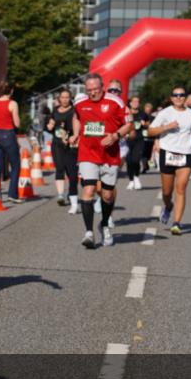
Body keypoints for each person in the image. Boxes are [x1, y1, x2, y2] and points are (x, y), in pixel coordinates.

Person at [73, 73, 132, 248]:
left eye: (96, 89)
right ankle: (89, 233)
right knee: (89, 189)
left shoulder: (116, 102)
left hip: (109, 154)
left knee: (107, 195)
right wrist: (75, 134)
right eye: (89, 90)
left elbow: (129, 124)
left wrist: (115, 136)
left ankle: (105, 224)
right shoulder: (80, 102)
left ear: (102, 87)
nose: (92, 93)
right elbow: (76, 117)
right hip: (87, 153)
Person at [148, 86, 191, 235]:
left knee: (181, 188)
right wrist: (167, 127)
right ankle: (168, 206)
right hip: (168, 152)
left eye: (181, 95)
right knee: (166, 192)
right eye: (175, 95)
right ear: (171, 98)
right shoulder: (165, 113)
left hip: (186, 153)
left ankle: (177, 223)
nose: (178, 97)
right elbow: (150, 131)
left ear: (185, 98)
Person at [0, 81, 23, 203]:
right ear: (11, 91)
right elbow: (17, 123)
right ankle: (12, 194)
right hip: (8, 135)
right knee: (15, 165)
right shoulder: (12, 103)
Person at [46, 88, 78, 212]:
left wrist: (70, 136)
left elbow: (76, 126)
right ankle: (60, 195)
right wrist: (50, 125)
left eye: (67, 97)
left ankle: (71, 192)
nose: (64, 99)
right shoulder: (55, 110)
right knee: (59, 168)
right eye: (62, 97)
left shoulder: (74, 111)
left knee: (71, 173)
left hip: (70, 144)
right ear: (59, 98)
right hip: (57, 144)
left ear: (70, 98)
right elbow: (51, 122)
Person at [125, 95, 148, 190]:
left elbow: (148, 124)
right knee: (129, 161)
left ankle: (136, 177)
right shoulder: (126, 113)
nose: (136, 103)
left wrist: (145, 124)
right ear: (130, 103)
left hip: (139, 139)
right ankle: (131, 180)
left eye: (137, 101)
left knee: (136, 159)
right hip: (127, 140)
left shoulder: (143, 114)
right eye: (134, 101)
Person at [142, 101, 156, 172]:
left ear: (151, 110)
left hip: (151, 138)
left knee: (150, 153)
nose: (147, 111)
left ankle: (150, 166)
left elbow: (155, 127)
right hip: (143, 138)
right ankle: (145, 167)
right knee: (143, 153)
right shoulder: (141, 117)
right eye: (146, 110)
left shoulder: (153, 118)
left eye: (149, 110)